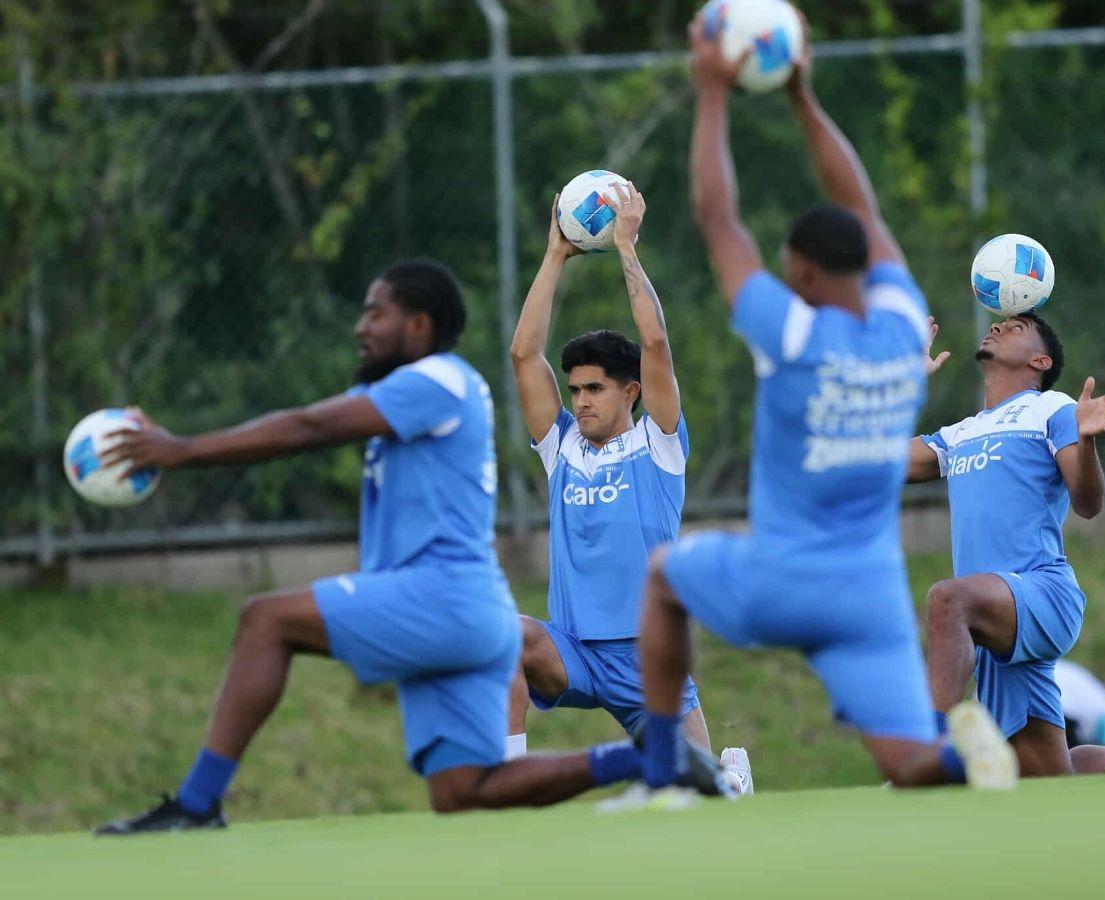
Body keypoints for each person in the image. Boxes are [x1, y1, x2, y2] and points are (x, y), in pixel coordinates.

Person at [93, 260, 687, 834]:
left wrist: (183, 450)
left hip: (445, 599)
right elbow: (523, 355)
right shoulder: (504, 420)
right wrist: (556, 251)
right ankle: (643, 760)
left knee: (265, 621)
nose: (361, 327)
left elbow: (310, 427)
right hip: (502, 623)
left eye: (376, 313)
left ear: (419, 326)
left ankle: (197, 805)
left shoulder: (438, 379)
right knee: (461, 791)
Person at [633, 14, 1016, 796]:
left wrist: (712, 92)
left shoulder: (793, 336)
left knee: (667, 577)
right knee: (906, 763)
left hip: (784, 573)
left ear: (803, 271)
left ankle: (665, 772)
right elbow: (866, 212)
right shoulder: (906, 326)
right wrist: (804, 99)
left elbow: (717, 219)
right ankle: (959, 754)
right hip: (870, 591)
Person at [507, 184, 752, 793]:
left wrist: (625, 248)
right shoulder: (560, 447)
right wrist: (555, 255)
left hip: (648, 657)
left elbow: (656, 346)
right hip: (575, 650)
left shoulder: (659, 443)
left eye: (595, 389)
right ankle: (501, 782)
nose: (581, 401)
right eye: (576, 391)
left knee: (701, 794)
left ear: (630, 392)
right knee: (505, 640)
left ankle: (726, 775)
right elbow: (522, 353)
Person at [912, 311, 1105, 776]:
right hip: (993, 623)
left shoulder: (1053, 409)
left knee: (946, 600)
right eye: (999, 323)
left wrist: (1085, 444)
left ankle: (924, 752)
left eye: (1017, 328)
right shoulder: (960, 433)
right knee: (1048, 778)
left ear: (1040, 361)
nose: (999, 326)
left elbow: (1088, 502)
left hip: (1040, 594)